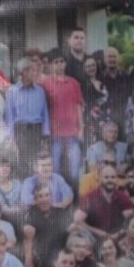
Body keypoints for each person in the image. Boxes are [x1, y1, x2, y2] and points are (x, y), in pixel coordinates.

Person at [39, 54, 84, 185]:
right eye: (56, 62)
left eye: (62, 61)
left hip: (72, 133)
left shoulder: (74, 83)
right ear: (51, 65)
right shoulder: (45, 84)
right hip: (55, 133)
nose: (59, 64)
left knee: (75, 168)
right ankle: (56, 193)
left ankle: (75, 194)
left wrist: (81, 129)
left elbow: (78, 106)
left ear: (65, 63)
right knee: (56, 169)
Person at [5, 58, 50, 178]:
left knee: (37, 161)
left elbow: (45, 113)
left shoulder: (40, 91)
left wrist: (45, 134)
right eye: (32, 70)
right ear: (23, 72)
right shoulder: (12, 91)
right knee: (23, 161)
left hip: (37, 130)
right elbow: (10, 116)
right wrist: (11, 137)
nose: (35, 73)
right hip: (21, 130)